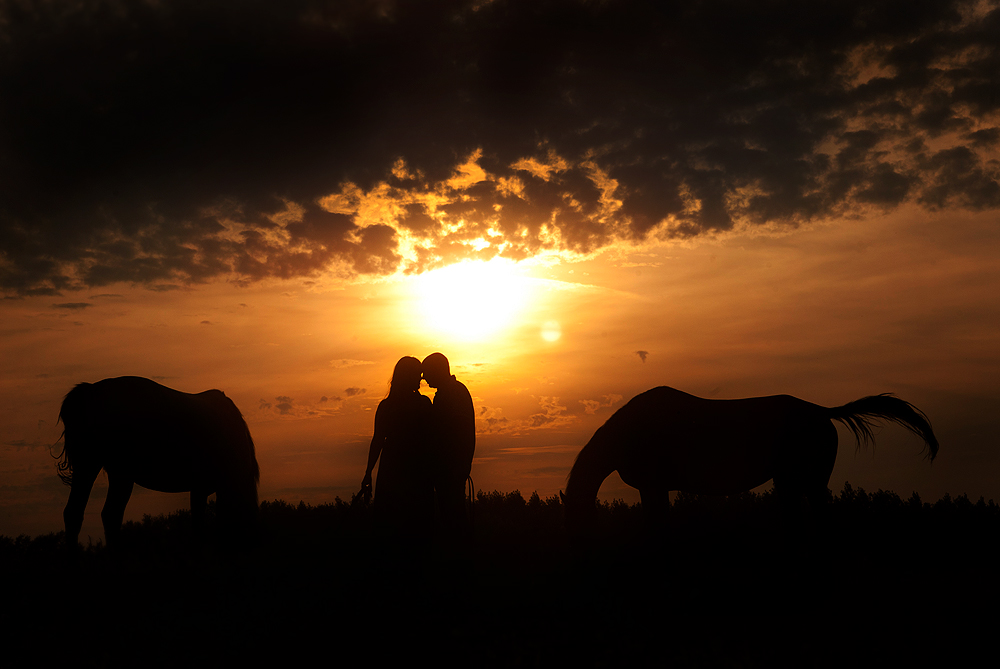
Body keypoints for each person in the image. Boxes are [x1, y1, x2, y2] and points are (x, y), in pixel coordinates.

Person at [362, 356, 434, 537]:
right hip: (416, 472)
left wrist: (368, 472)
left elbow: (378, 440)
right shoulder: (423, 404)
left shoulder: (386, 406)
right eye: (418, 375)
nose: (421, 379)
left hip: (392, 471)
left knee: (391, 526)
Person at [421, 352, 475, 535]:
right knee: (452, 518)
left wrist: (456, 466)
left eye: (426, 372)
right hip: (450, 469)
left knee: (454, 520)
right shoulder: (451, 391)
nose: (423, 377)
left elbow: (457, 432)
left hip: (450, 469)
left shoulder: (453, 393)